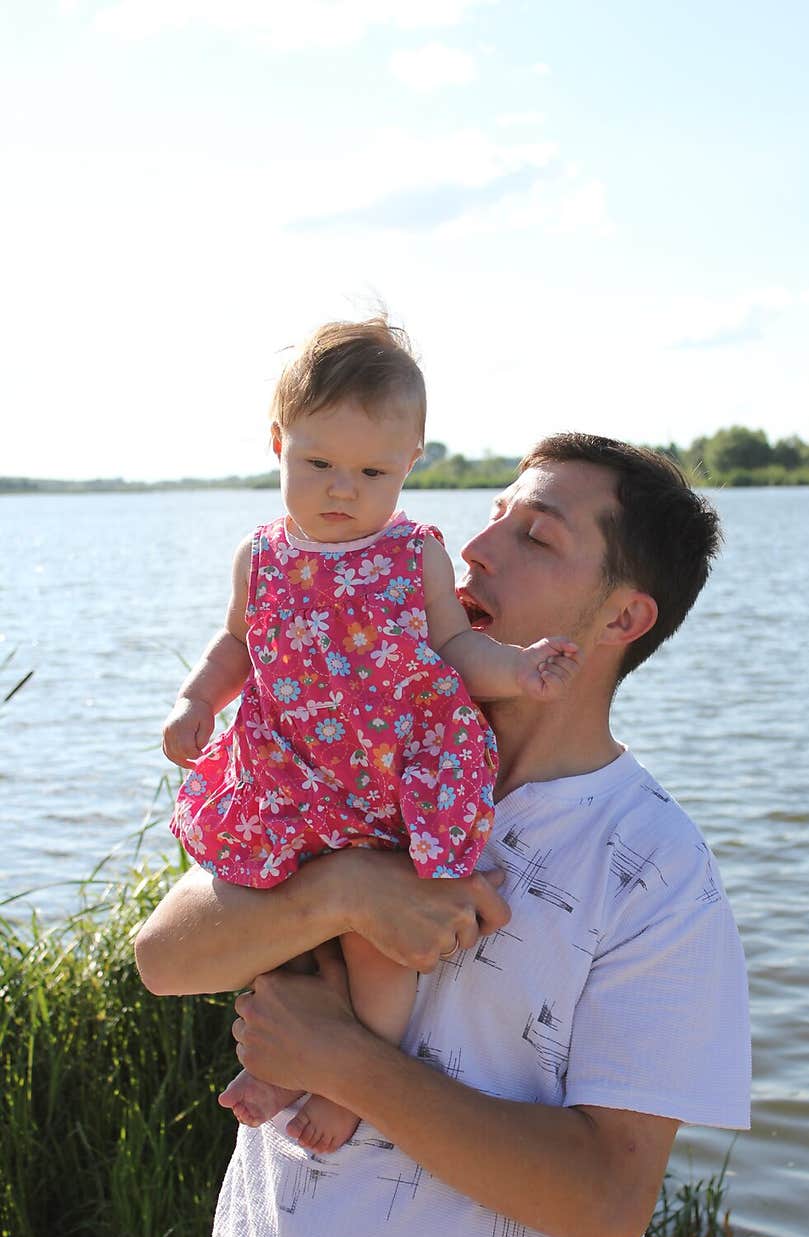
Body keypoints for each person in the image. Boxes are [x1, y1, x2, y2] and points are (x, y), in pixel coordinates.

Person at [136, 431, 751, 1237]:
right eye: (495, 513)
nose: (476, 546)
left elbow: (608, 1206)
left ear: (624, 618)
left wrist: (342, 1064)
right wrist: (346, 888)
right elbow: (163, 959)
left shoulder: (656, 870)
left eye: (535, 537)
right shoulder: (366, 756)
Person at [160, 316, 580, 1152]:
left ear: (411, 462)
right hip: (291, 776)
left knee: (378, 943)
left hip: (392, 778)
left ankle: (354, 1079)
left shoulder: (411, 553)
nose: (342, 489)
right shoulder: (263, 556)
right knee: (279, 921)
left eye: (371, 471)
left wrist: (520, 669)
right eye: (317, 464)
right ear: (278, 441)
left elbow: (458, 649)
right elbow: (239, 642)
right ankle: (286, 1061)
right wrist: (198, 701)